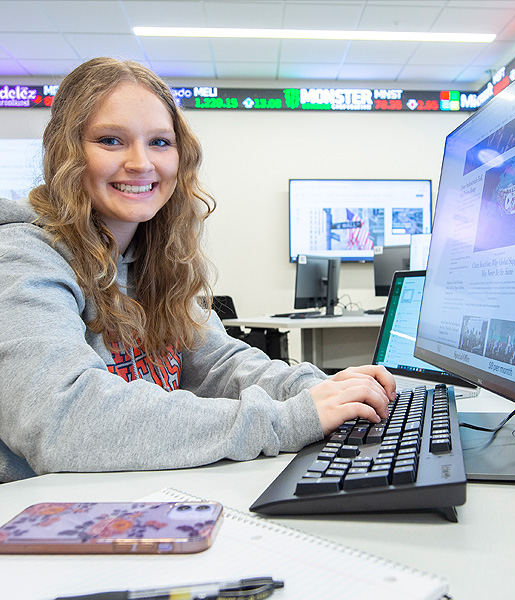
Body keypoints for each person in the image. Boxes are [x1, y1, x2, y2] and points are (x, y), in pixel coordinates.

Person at [0, 57, 394, 483]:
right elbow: (62, 417)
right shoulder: (23, 253)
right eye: (111, 140)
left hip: (132, 493)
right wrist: (287, 419)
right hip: (40, 521)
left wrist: (326, 390)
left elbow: (219, 364)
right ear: (67, 150)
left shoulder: (157, 257)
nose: (141, 162)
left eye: (160, 142)